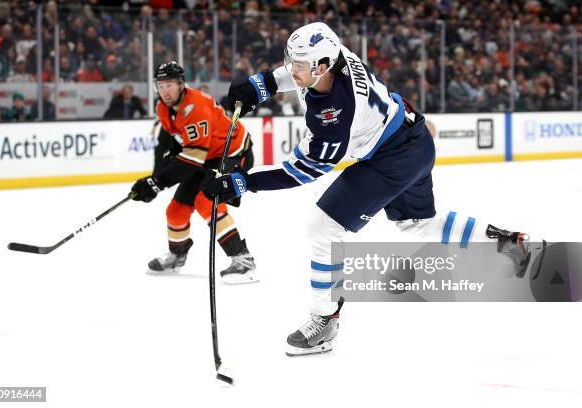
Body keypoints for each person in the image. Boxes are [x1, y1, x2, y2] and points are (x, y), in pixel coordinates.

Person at [202, 22, 534, 356]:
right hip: (413, 139)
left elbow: (303, 171)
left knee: (322, 226)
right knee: (416, 224)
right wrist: (263, 84)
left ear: (321, 66)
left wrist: (246, 182)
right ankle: (504, 241)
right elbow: (294, 71)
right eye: (291, 61)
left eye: (299, 65)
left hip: (392, 156)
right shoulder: (334, 56)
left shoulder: (334, 116)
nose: (292, 69)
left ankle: (325, 317)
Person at [130, 61, 257, 284]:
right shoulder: (163, 107)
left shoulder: (196, 106)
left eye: (169, 85)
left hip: (233, 153)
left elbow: (192, 160)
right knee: (176, 210)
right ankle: (177, 256)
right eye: (160, 86)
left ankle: (243, 260)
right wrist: (154, 179)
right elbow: (164, 144)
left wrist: (159, 182)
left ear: (181, 84)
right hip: (206, 157)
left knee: (205, 199)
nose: (164, 91)